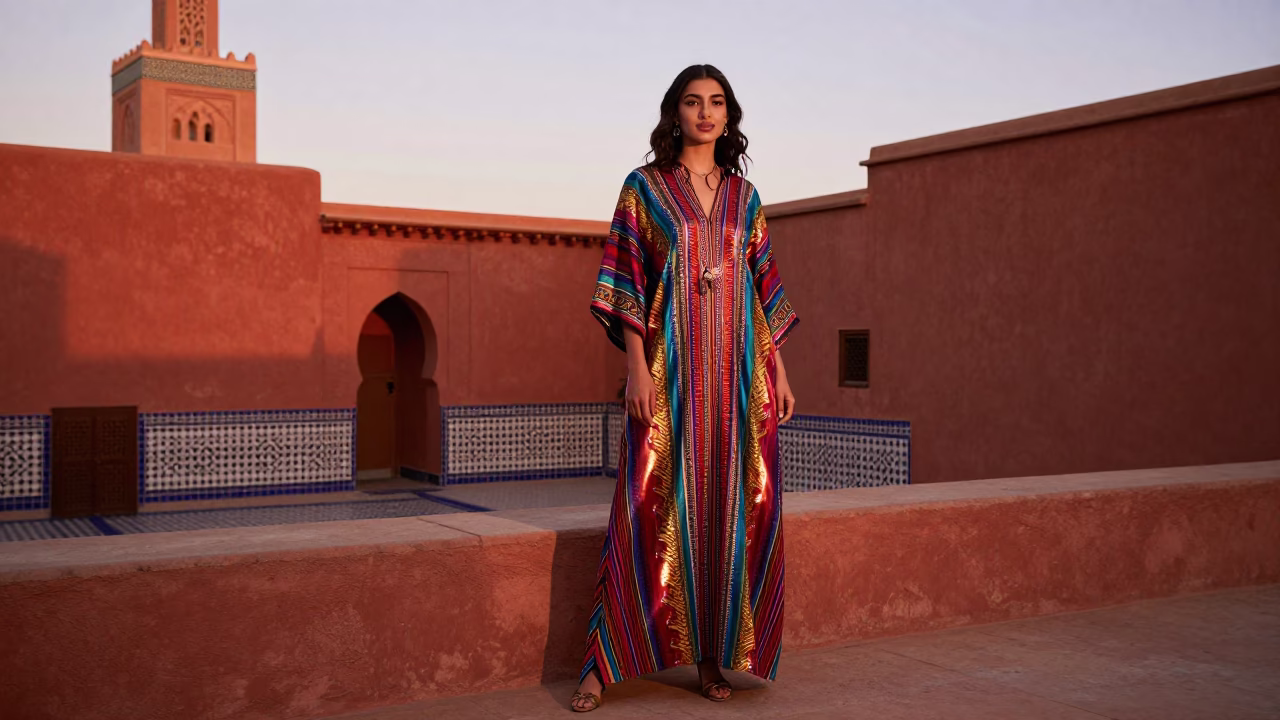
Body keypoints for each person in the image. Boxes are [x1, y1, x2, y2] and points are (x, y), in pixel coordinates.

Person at [571, 63, 798, 713]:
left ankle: (709, 657)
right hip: (668, 374)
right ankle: (600, 666)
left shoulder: (744, 196)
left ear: (729, 116)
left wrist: (779, 372)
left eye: (717, 102)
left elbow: (763, 286)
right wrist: (637, 367)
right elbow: (627, 280)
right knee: (644, 507)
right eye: (693, 102)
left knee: (729, 512)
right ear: (674, 112)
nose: (705, 112)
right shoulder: (643, 188)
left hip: (739, 380)